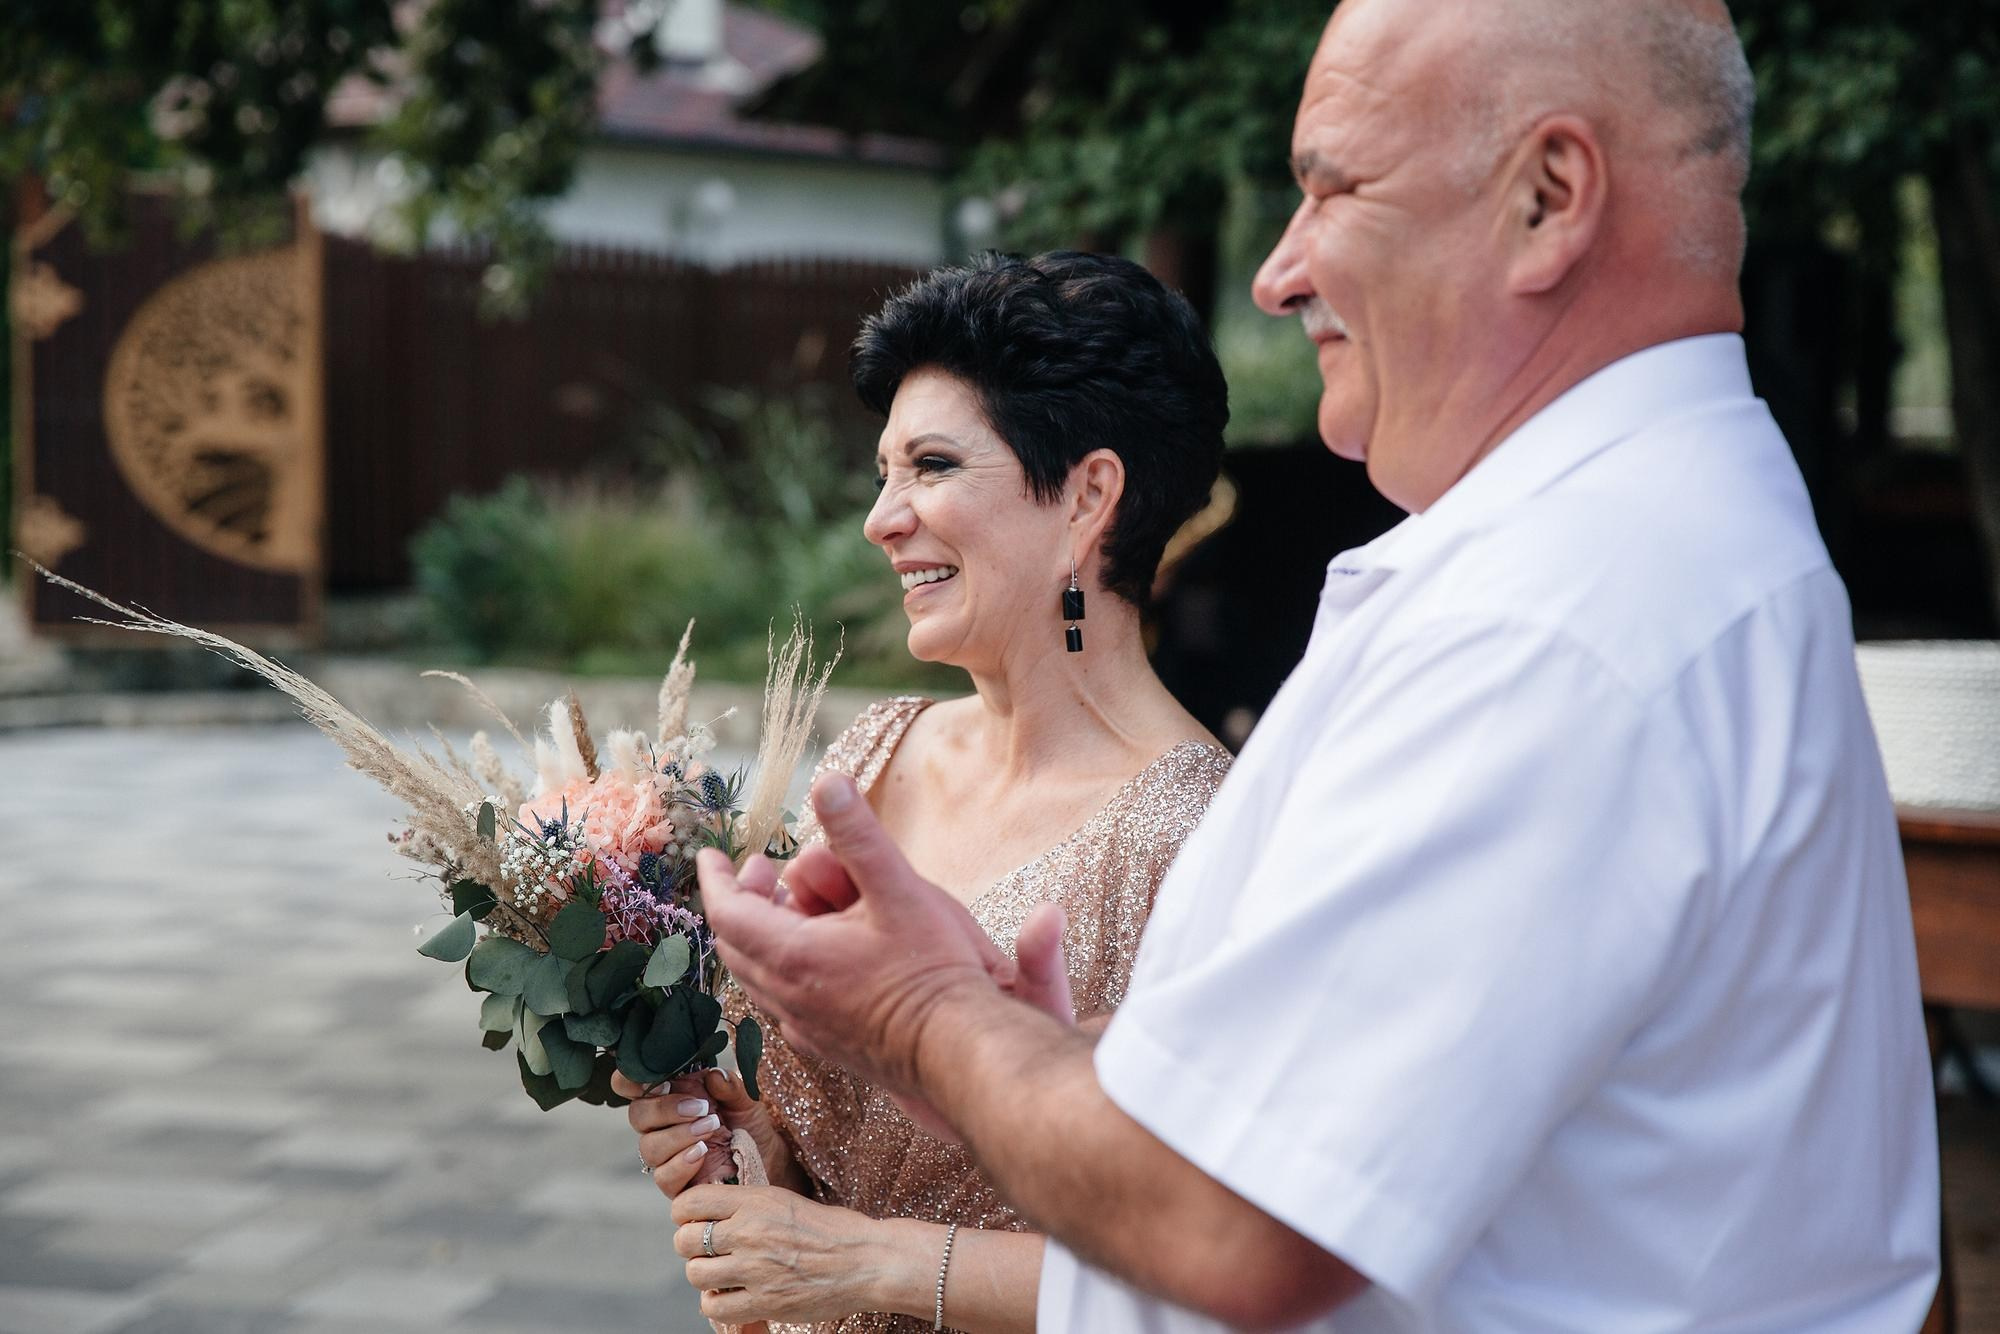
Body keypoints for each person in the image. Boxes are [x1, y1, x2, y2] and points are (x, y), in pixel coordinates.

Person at [683, 1, 1943, 1331]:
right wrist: (1024, 1054)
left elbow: (1241, 1223)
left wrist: (924, 1013)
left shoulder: (1552, 621)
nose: (1279, 275)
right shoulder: (1624, 542)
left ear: (1549, 196)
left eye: (1331, 189)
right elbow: (1375, 1087)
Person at [614, 251, 1235, 1332]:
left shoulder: (1196, 836)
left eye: (932, 466)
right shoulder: (875, 752)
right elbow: (813, 1150)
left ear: (1089, 495)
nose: (882, 518)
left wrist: (875, 1263)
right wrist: (741, 1151)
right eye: (882, 473)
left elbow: (1217, 1261)